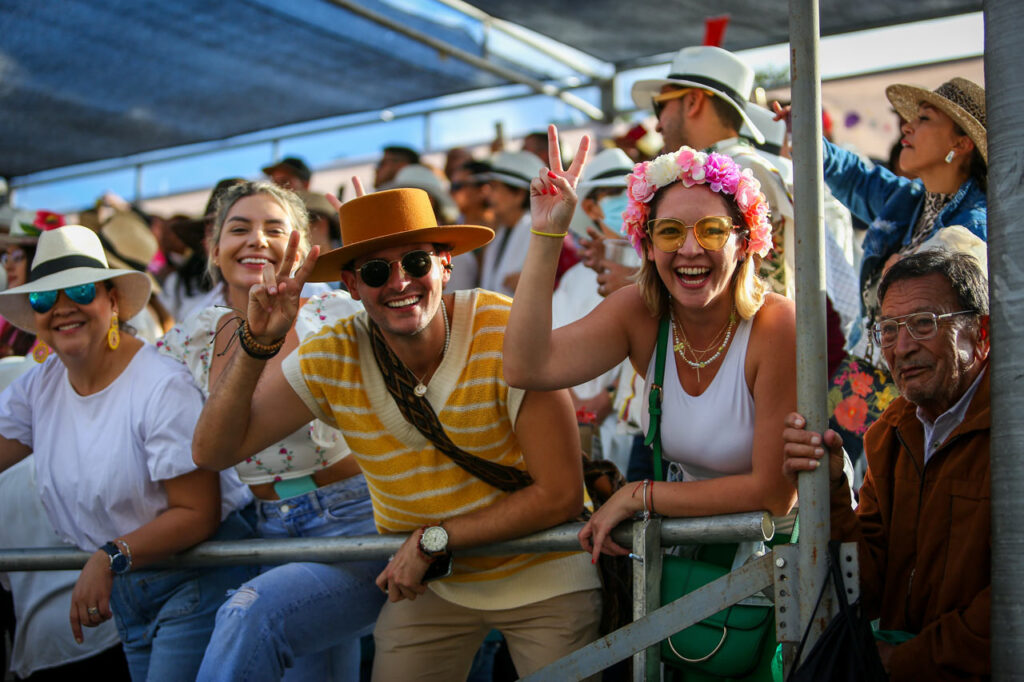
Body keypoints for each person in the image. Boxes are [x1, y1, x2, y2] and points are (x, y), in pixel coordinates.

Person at [192, 186, 603, 680]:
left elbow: (559, 495)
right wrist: (258, 343)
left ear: (445, 265)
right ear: (351, 284)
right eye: (375, 271)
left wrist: (434, 539)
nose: (400, 282)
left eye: (416, 261)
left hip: (542, 574)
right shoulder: (333, 355)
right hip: (434, 586)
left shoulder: (502, 328)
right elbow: (213, 452)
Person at [504, 127, 797, 556]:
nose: (690, 249)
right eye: (670, 232)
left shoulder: (776, 324)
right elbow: (526, 367)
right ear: (647, 245)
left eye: (712, 231)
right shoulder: (640, 313)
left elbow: (774, 494)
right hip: (695, 551)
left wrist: (640, 495)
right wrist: (547, 234)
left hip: (787, 557)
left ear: (743, 241)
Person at [0, 225, 254, 681]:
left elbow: (198, 512)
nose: (62, 307)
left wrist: (108, 556)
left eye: (81, 291)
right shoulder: (41, 383)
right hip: (129, 586)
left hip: (196, 576)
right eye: (43, 298)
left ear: (113, 301)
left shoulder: (160, 383)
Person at [157, 180, 382, 682]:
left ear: (300, 249)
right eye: (239, 228)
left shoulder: (337, 316)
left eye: (275, 229)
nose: (256, 240)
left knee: (250, 614)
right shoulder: (191, 337)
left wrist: (376, 246)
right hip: (269, 528)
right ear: (214, 248)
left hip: (355, 520)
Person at [782, 250, 990, 681]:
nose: (903, 347)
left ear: (981, 333)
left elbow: (1008, 606)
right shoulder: (890, 433)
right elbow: (871, 585)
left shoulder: (1010, 434)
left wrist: (903, 662)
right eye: (889, 330)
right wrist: (832, 491)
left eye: (924, 323)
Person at [0, 210, 64, 360]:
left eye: (17, 257)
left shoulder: (60, 317)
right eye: (5, 258)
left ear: (38, 259)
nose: (8, 266)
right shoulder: (5, 316)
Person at [479, 150, 544, 296]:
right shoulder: (500, 230)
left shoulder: (538, 232)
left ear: (519, 194)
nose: (488, 194)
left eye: (495, 187)